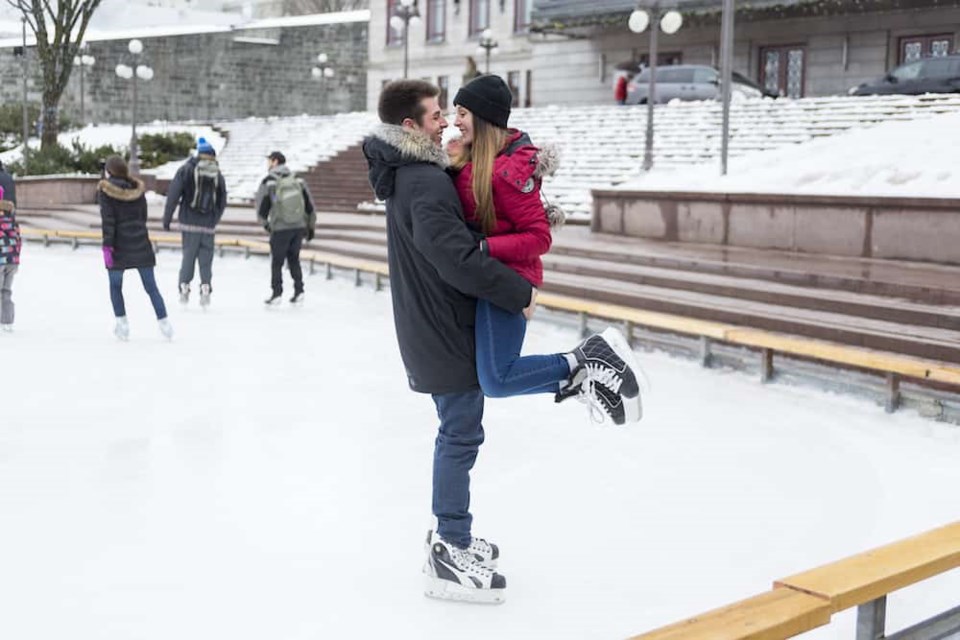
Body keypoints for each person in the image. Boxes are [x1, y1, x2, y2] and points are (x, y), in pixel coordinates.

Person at [450, 74, 644, 425]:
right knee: (492, 378)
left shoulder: (509, 172)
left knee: (497, 380)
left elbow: (539, 237)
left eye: (462, 112)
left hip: (508, 280)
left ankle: (585, 360)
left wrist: (483, 246)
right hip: (484, 277)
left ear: (482, 116)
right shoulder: (470, 160)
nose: (455, 121)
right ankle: (581, 375)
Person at [99, 156, 173, 341]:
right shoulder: (138, 191)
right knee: (151, 287)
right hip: (141, 243)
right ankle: (165, 323)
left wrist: (107, 248)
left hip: (118, 247)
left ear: (109, 171)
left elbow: (108, 222)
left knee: (116, 286)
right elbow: (142, 217)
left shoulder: (106, 191)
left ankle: (122, 324)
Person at [162, 137, 227, 307]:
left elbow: (173, 195)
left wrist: (167, 219)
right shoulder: (217, 173)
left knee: (188, 256)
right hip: (208, 225)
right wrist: (214, 219)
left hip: (189, 222)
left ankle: (184, 287)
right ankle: (205, 286)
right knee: (206, 259)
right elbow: (222, 200)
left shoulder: (186, 170)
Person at [254, 151, 316, 305]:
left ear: (275, 162)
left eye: (269, 160)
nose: (268, 163)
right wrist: (310, 227)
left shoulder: (269, 181)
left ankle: (277, 293)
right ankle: (299, 290)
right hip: (298, 227)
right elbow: (309, 206)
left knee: (277, 262)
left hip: (280, 227)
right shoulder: (297, 180)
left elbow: (261, 207)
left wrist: (267, 225)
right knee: (294, 259)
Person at [0, 184, 20, 333]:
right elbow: (19, 239)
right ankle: (7, 321)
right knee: (6, 291)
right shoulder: (12, 220)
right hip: (12, 260)